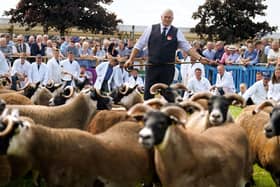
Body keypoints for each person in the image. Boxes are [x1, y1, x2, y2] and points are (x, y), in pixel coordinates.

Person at [125, 9, 208, 100]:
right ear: (161, 17)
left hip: (167, 69)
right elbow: (139, 44)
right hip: (152, 67)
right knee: (148, 93)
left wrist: (200, 58)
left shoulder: (176, 32)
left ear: (172, 19)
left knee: (167, 95)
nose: (167, 19)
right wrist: (131, 59)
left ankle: (166, 113)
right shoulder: (151, 29)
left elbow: (187, 48)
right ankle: (148, 112)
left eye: (170, 18)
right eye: (165, 17)